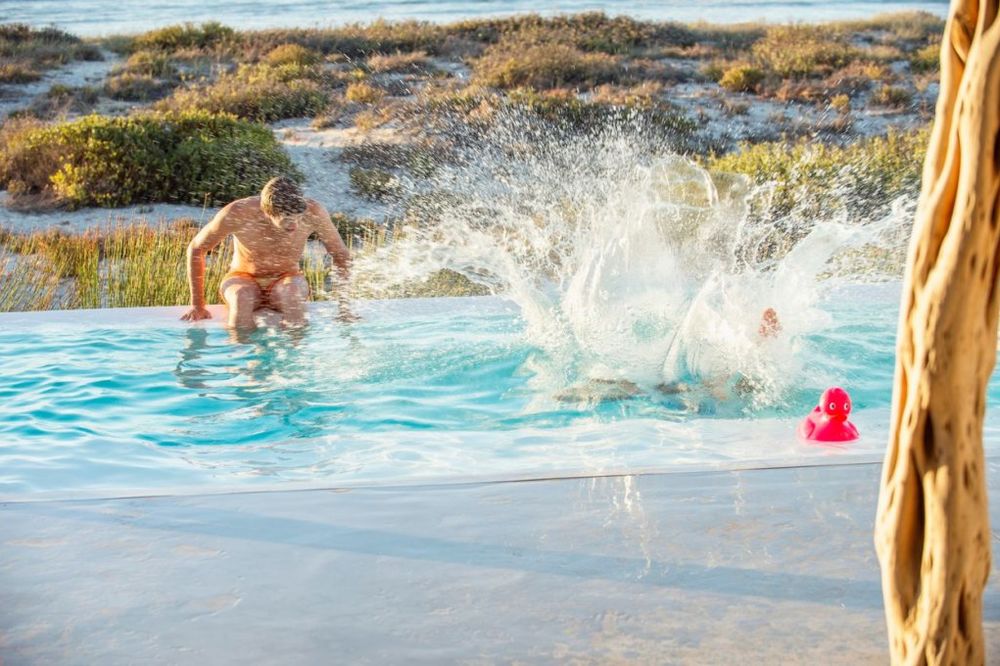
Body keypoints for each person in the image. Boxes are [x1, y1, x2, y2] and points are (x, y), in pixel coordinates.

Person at [181, 177, 353, 329]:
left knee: (292, 297)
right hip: (243, 277)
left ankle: (294, 361)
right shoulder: (238, 213)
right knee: (241, 298)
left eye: (298, 218)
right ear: (267, 213)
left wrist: (344, 308)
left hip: (287, 277)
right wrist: (198, 305)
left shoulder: (314, 212)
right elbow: (197, 248)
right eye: (287, 220)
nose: (295, 226)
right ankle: (242, 361)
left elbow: (341, 254)